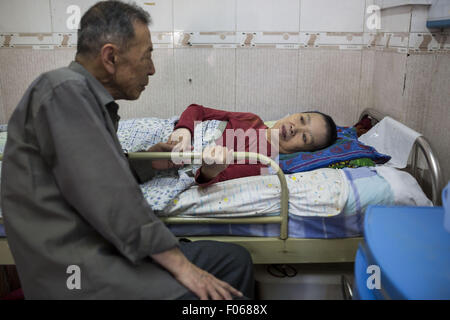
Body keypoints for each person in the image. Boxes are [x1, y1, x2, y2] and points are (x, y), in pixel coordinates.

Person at [0, 1, 254, 300]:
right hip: (81, 270)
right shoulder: (63, 92)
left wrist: (151, 164)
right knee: (215, 296)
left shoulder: (88, 101)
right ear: (110, 57)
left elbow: (88, 178)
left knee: (234, 261)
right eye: (146, 56)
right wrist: (182, 267)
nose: (152, 69)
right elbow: (110, 196)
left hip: (105, 249)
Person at [168, 104, 337, 185]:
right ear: (295, 112)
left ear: (304, 151)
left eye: (305, 137)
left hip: (173, 160)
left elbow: (208, 179)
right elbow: (197, 110)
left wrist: (209, 170)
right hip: (171, 133)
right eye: (301, 119)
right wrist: (184, 129)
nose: (295, 128)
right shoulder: (252, 119)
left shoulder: (261, 162)